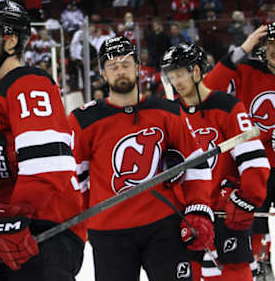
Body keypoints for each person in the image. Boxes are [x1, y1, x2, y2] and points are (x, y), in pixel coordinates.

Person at [67, 36, 214, 281]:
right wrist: (76, 228)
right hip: (109, 232)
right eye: (112, 66)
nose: (120, 70)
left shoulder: (166, 110)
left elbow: (196, 160)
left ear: (138, 68)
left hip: (164, 225)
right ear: (103, 73)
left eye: (126, 64)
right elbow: (76, 179)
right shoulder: (83, 119)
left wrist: (198, 209)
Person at [0, 0, 86, 280]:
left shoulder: (29, 83)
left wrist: (13, 219)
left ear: (10, 41)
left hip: (40, 232)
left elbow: (47, 166)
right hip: (9, 230)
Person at [161, 43, 270, 281]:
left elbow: (255, 160)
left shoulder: (227, 105)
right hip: (186, 215)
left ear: (197, 71)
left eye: (181, 73)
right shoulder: (167, 113)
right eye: (172, 75)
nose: (176, 81)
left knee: (233, 274)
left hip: (223, 212)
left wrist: (245, 200)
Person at [204, 23, 275, 279]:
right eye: (270, 44)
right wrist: (244, 48)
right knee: (251, 217)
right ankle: (260, 261)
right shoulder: (246, 69)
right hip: (253, 165)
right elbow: (210, 86)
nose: (274, 50)